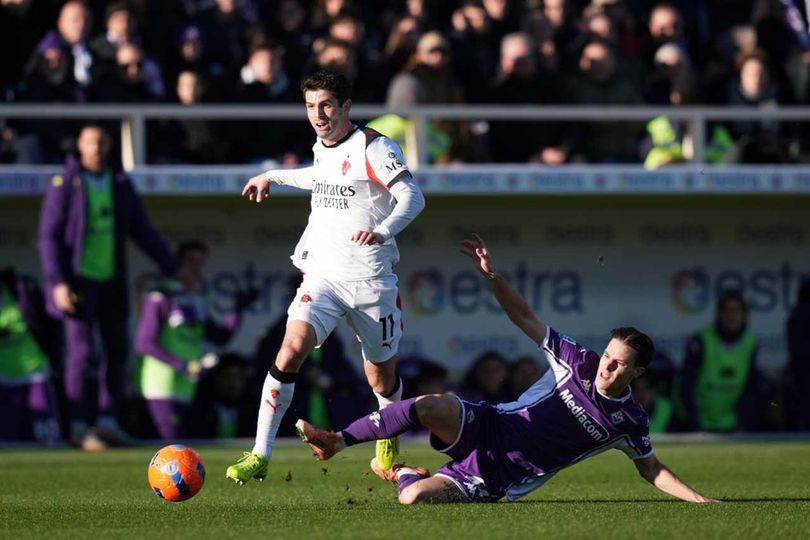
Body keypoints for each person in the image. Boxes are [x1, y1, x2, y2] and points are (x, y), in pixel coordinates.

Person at [294, 234, 718, 505]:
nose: (607, 366)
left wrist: (700, 501)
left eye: (619, 363)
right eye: (608, 355)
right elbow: (526, 318)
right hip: (491, 424)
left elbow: (652, 470)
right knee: (431, 404)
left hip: (503, 473)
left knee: (415, 499)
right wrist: (493, 277)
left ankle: (405, 473)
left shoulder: (629, 420)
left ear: (637, 373)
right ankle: (337, 439)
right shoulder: (578, 361)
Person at [226, 69, 425, 484]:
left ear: (346, 106)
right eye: (311, 106)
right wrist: (272, 176)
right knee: (291, 348)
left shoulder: (374, 146)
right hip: (324, 278)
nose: (318, 114)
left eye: (327, 105)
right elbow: (321, 178)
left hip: (371, 282)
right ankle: (259, 454)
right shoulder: (322, 146)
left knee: (381, 378)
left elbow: (412, 195)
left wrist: (382, 229)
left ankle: (387, 444)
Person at [37, 123, 178, 450]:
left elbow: (141, 229)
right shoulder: (65, 184)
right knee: (82, 354)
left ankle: (107, 422)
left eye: (101, 142)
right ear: (80, 146)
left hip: (111, 282)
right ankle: (77, 425)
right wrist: (58, 282)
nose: (96, 148)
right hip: (78, 283)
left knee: (117, 352)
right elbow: (48, 237)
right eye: (90, 142)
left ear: (109, 146)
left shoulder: (120, 183)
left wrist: (172, 265)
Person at [133, 240, 256, 440]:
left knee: (180, 451)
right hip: (159, 388)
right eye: (190, 261)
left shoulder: (197, 300)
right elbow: (144, 343)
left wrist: (238, 309)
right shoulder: (161, 296)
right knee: (168, 451)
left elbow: (220, 337)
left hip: (186, 389)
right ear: (176, 264)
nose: (196, 268)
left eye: (200, 263)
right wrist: (183, 366)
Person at [678, 290, 762, 432]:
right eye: (727, 310)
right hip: (700, 421)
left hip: (732, 422)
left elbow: (751, 385)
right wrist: (693, 420)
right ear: (719, 314)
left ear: (744, 315)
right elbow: (686, 384)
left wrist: (744, 421)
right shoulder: (701, 341)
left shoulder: (750, 342)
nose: (732, 316)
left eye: (737, 311)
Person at [0, 267, 62, 445]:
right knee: (7, 440)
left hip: (34, 371)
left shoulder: (21, 288)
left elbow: (49, 324)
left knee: (45, 437)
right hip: (3, 379)